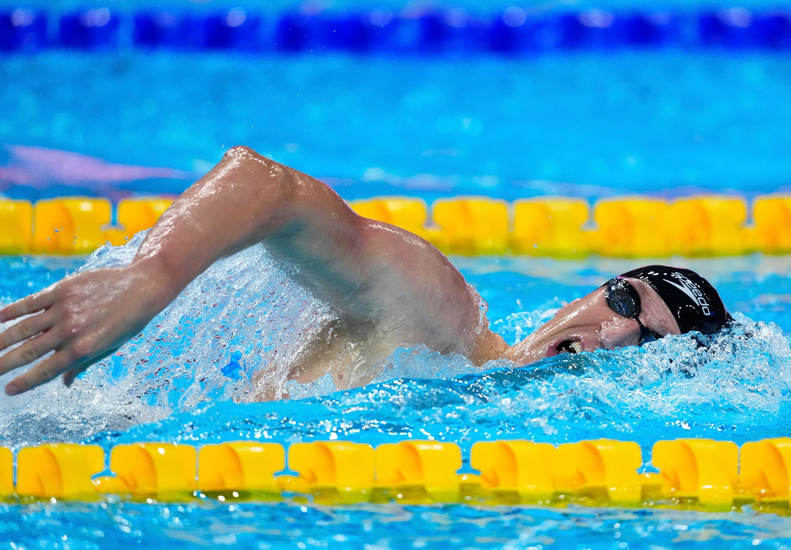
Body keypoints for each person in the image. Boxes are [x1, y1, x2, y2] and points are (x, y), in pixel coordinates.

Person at [0, 146, 729, 398]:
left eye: (650, 344)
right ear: (590, 289)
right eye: (623, 300)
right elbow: (268, 186)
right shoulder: (440, 318)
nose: (610, 336)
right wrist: (153, 276)